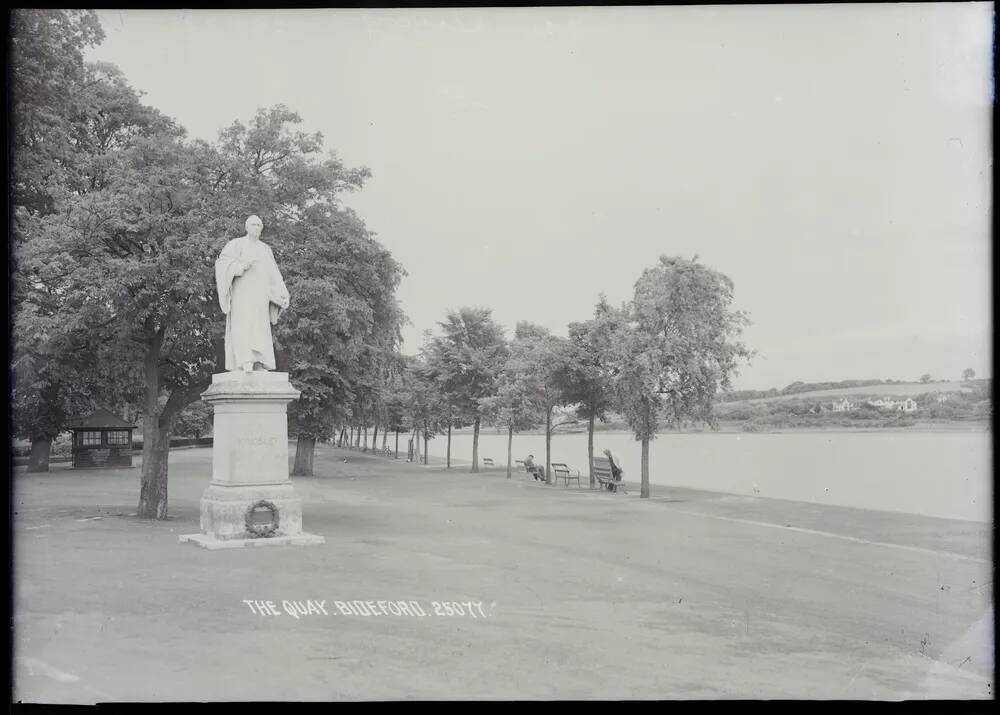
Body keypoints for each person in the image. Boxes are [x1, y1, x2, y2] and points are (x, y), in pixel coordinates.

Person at [215, 215, 291, 373]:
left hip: (260, 296)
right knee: (243, 326)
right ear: (246, 227)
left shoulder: (265, 249)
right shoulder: (236, 244)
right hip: (241, 295)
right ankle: (245, 360)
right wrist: (240, 266)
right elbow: (222, 264)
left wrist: (282, 292)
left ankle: (259, 362)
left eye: (259, 225)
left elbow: (274, 274)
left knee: (260, 328)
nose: (256, 227)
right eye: (253, 224)